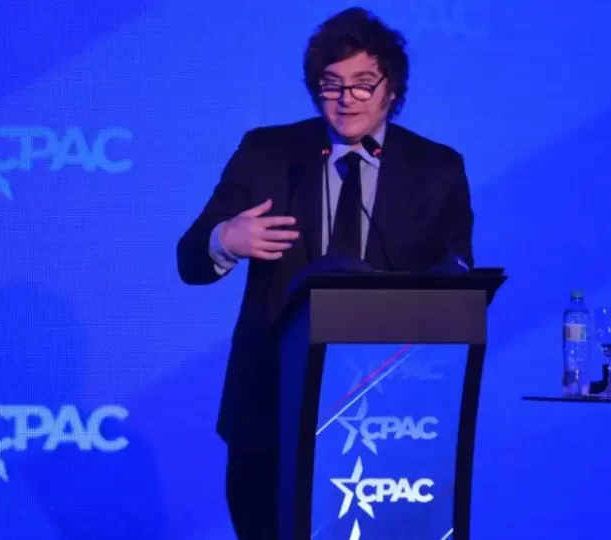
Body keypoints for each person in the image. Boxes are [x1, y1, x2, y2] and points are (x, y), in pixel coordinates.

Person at [176, 7, 475, 538]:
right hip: (272, 409)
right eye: (331, 84)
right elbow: (190, 259)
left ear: (391, 89)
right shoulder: (268, 153)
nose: (345, 98)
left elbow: (459, 281)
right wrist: (226, 239)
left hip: (392, 419)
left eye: (363, 84)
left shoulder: (436, 169)